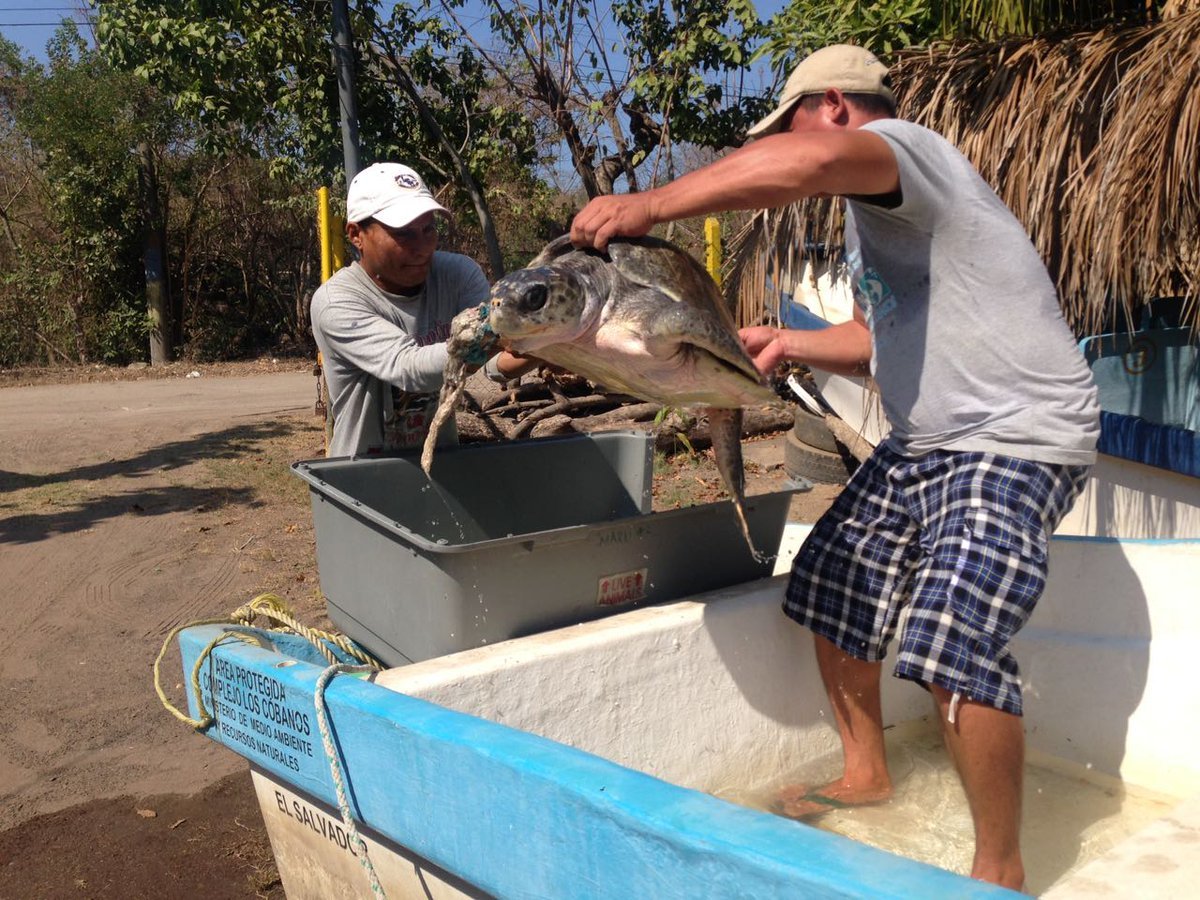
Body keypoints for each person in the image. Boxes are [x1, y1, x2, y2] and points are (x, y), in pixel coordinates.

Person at [570, 44, 1099, 891]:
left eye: (785, 123)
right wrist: (787, 344)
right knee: (831, 581)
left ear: (836, 108)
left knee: (954, 635)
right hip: (928, 443)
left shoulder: (915, 153)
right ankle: (867, 772)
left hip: (1015, 434)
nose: (779, 142)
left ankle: (999, 870)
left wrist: (653, 204)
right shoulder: (873, 225)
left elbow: (809, 163)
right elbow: (874, 341)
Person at [311, 162, 529, 457]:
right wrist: (504, 323)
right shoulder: (336, 301)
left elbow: (490, 363)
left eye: (428, 229)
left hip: (441, 472)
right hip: (360, 480)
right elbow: (410, 368)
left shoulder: (458, 275)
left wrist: (542, 346)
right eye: (403, 234)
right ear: (356, 234)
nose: (423, 247)